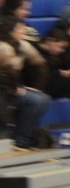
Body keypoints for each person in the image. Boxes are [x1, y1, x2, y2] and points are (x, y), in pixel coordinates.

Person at [0, 16, 51, 151]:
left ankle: (24, 136)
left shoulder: (23, 45)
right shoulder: (3, 47)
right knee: (35, 101)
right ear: (10, 30)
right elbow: (9, 71)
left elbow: (42, 65)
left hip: (11, 88)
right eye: (20, 28)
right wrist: (17, 87)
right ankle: (21, 139)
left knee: (44, 98)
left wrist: (37, 87)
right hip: (3, 90)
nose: (23, 31)